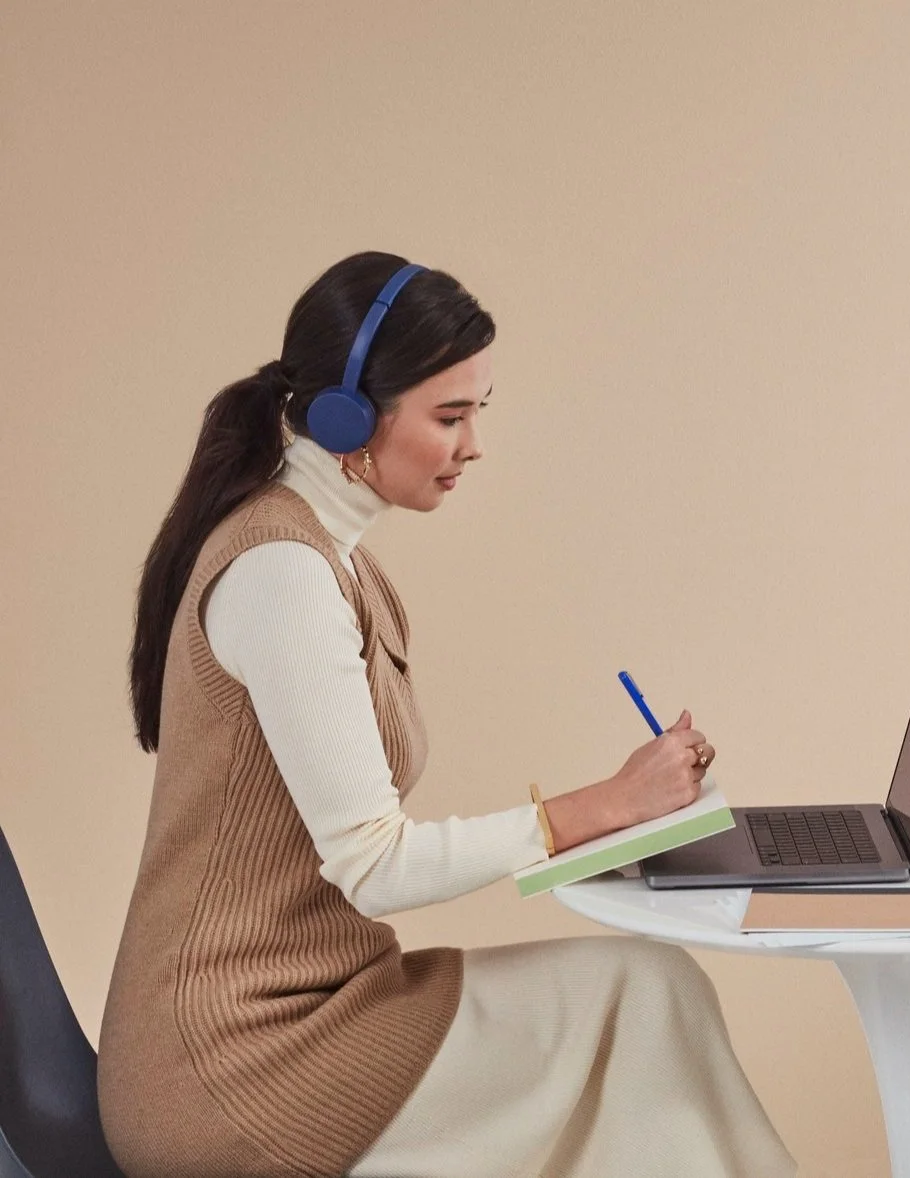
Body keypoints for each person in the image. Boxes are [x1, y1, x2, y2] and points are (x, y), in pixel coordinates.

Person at [99, 252, 797, 1178]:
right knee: (644, 999)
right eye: (449, 416)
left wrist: (624, 810)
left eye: (478, 413)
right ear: (348, 414)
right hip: (235, 1062)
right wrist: (608, 805)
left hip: (322, 1003)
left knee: (648, 987)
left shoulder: (336, 558)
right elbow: (375, 868)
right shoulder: (284, 574)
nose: (473, 445)